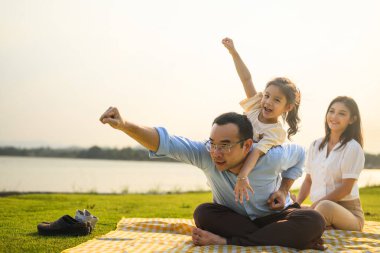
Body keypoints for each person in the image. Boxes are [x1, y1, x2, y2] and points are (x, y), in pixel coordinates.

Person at [100, 107, 325, 250]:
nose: (216, 152)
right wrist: (124, 125)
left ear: (247, 145)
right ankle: (288, 238)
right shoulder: (206, 154)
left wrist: (285, 190)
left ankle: (229, 242)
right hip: (234, 220)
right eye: (213, 144)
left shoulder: (271, 157)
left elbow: (299, 156)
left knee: (314, 219)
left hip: (275, 216)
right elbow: (164, 142)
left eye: (225, 146)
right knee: (203, 212)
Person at [222, 38, 301, 203]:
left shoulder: (276, 132)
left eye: (277, 100)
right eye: (267, 96)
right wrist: (234, 53)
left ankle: (288, 200)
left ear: (287, 107)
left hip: (256, 175)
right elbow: (246, 79)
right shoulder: (256, 107)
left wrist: (243, 177)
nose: (268, 102)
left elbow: (256, 152)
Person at [295, 96, 365, 231]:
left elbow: (346, 188)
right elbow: (308, 181)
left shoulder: (352, 148)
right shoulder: (315, 145)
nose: (334, 116)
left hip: (349, 215)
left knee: (324, 207)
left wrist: (314, 206)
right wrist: (296, 205)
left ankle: (323, 224)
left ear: (352, 119)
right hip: (320, 208)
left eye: (341, 113)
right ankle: (327, 226)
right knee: (291, 209)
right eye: (331, 111)